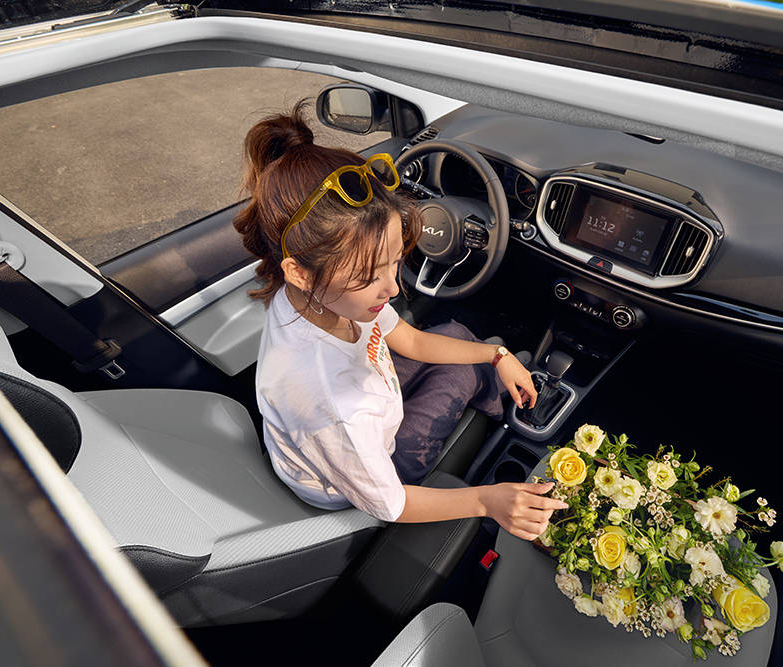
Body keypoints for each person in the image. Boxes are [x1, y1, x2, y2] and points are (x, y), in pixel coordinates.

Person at [233, 101, 567, 541]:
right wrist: (487, 501)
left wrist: (498, 355)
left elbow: (409, 339)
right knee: (462, 374)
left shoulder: (319, 295)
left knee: (459, 337)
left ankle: (500, 381)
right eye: (369, 277)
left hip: (370, 404)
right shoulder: (334, 407)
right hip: (367, 472)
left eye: (394, 262)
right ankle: (503, 406)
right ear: (300, 272)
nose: (391, 288)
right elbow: (393, 504)